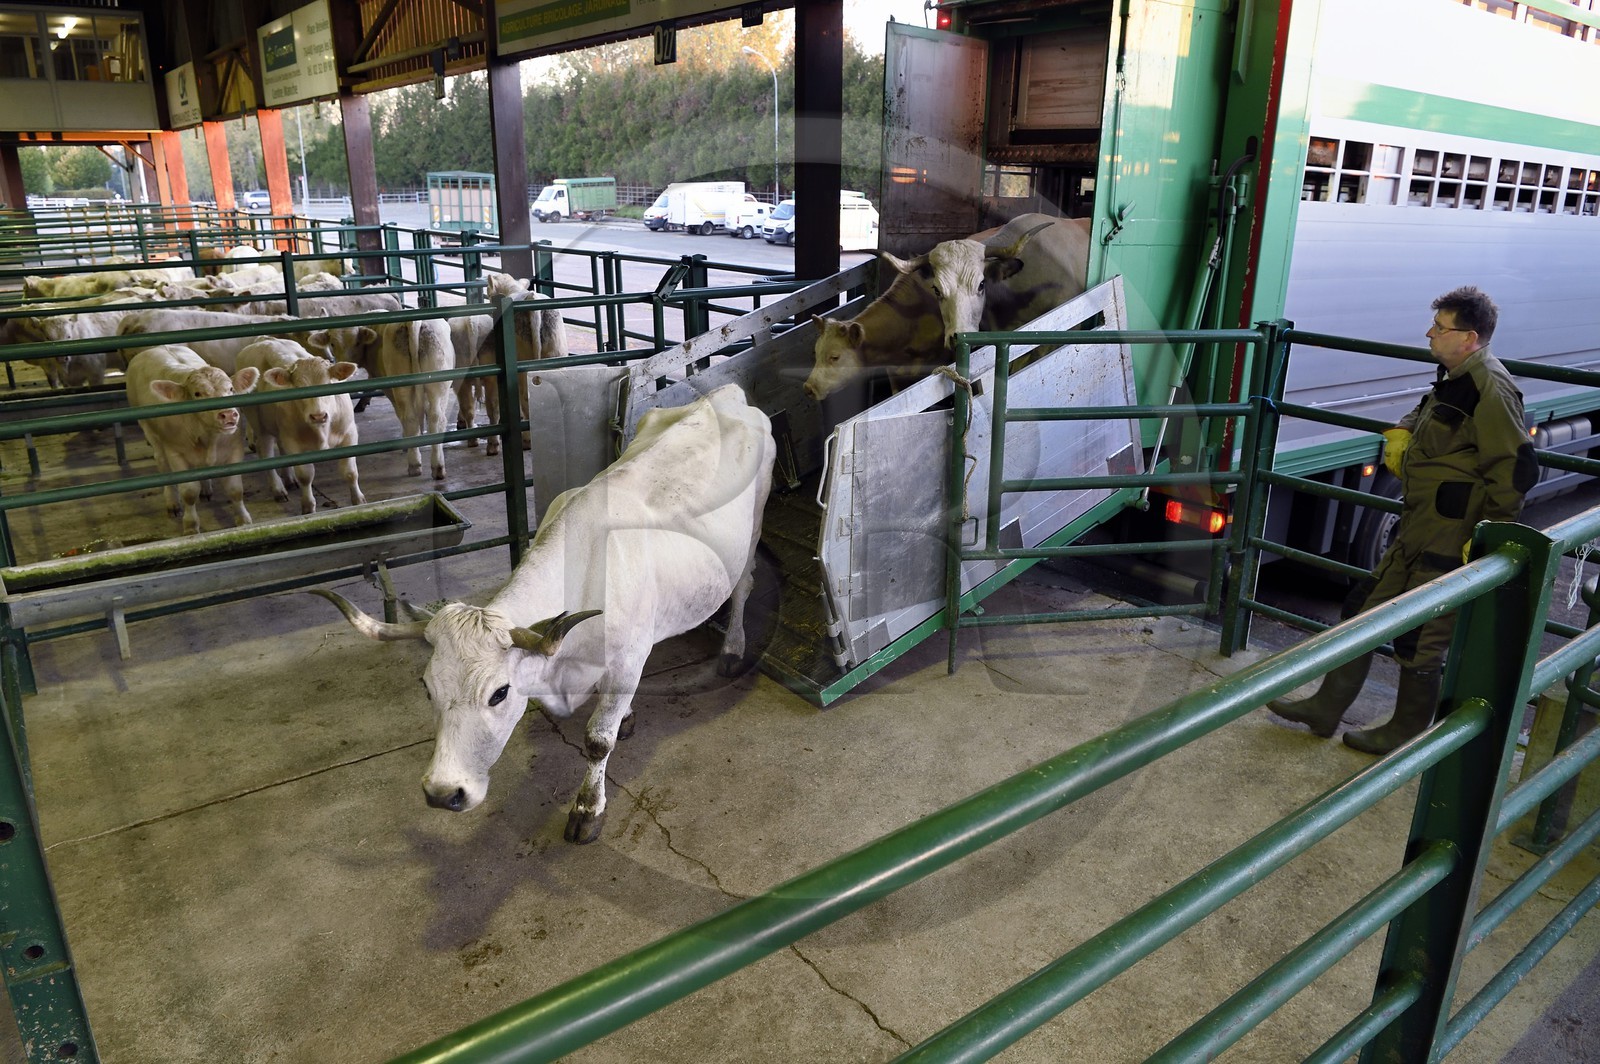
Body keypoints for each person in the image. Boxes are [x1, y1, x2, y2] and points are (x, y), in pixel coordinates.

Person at [1270, 286, 1539, 754]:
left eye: (1440, 327)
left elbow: (1516, 471)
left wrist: (1486, 540)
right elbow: (1431, 411)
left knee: (1422, 638)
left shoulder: (1490, 388)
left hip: (1450, 534)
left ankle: (1407, 732)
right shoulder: (1455, 375)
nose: (1430, 333)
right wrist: (1404, 429)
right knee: (1361, 611)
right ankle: (1325, 708)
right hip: (1417, 525)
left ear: (1470, 336)